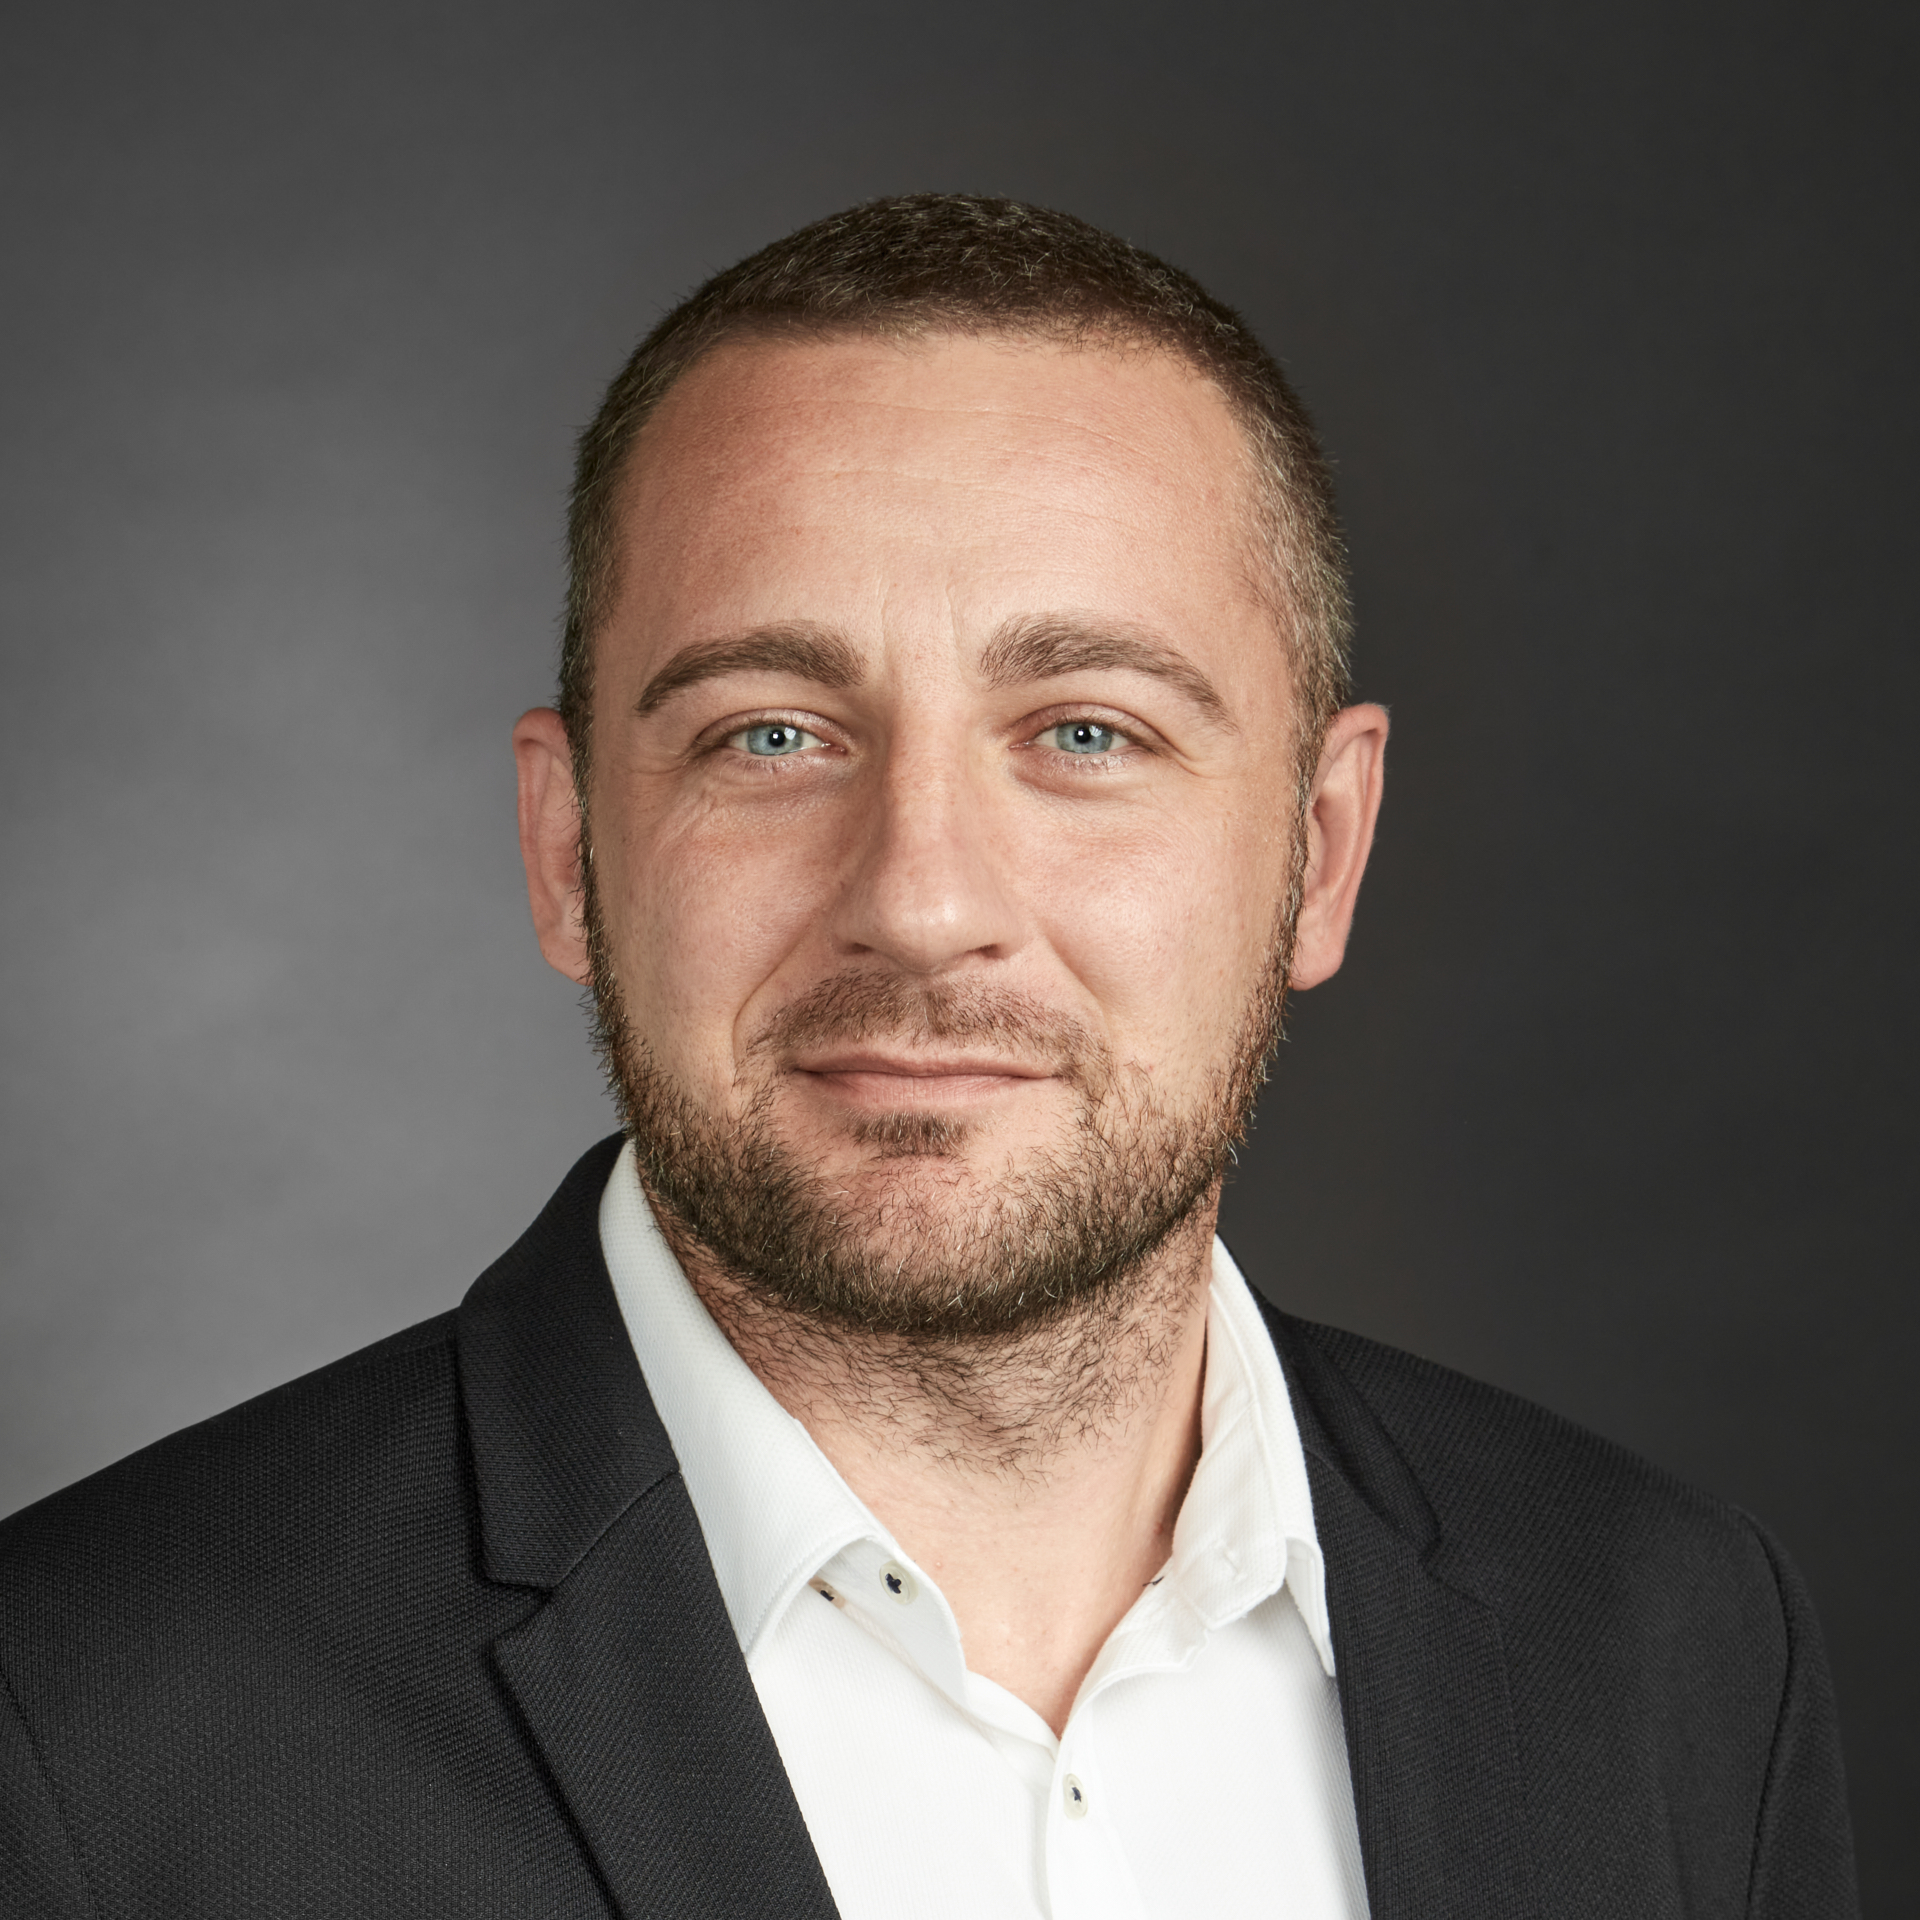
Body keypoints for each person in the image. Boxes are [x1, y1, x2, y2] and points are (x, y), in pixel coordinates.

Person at [0, 195, 1857, 1919]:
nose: (922, 901)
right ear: (570, 850)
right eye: (772, 735)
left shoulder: (1670, 1647)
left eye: (1086, 732)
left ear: (1322, 850)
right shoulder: (82, 1729)